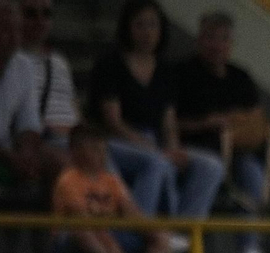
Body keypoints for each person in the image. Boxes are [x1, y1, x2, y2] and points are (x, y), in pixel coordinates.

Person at [174, 10, 270, 253]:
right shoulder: (183, 75)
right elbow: (173, 123)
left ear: (231, 44)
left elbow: (257, 118)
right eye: (211, 38)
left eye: (223, 39)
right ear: (200, 40)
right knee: (251, 175)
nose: (217, 45)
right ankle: (248, 247)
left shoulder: (240, 77)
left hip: (242, 146)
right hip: (205, 147)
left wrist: (239, 122)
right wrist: (210, 122)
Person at [90, 0, 223, 223]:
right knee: (157, 163)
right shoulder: (110, 64)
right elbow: (113, 121)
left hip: (156, 141)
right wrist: (152, 148)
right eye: (140, 25)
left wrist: (173, 148)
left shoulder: (165, 70)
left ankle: (182, 232)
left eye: (153, 25)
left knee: (211, 166)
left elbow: (168, 121)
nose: (147, 33)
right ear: (128, 28)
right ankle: (141, 231)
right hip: (118, 142)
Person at [0, 0, 60, 209]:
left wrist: (26, 153)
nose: (13, 37)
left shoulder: (23, 65)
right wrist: (10, 157)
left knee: (56, 160)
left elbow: (29, 122)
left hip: (6, 147)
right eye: (5, 30)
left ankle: (51, 237)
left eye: (17, 30)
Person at [51, 122, 171, 253]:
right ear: (76, 151)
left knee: (155, 230)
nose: (101, 155)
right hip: (74, 240)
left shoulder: (112, 180)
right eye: (94, 150)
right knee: (84, 231)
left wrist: (155, 233)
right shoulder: (68, 180)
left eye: (102, 149)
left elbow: (131, 212)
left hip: (109, 231)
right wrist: (113, 246)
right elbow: (82, 219)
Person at [17, 0, 77, 150]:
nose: (40, 21)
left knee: (145, 159)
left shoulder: (59, 60)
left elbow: (73, 105)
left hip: (76, 137)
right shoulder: (13, 62)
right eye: (31, 14)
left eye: (46, 14)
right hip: (47, 137)